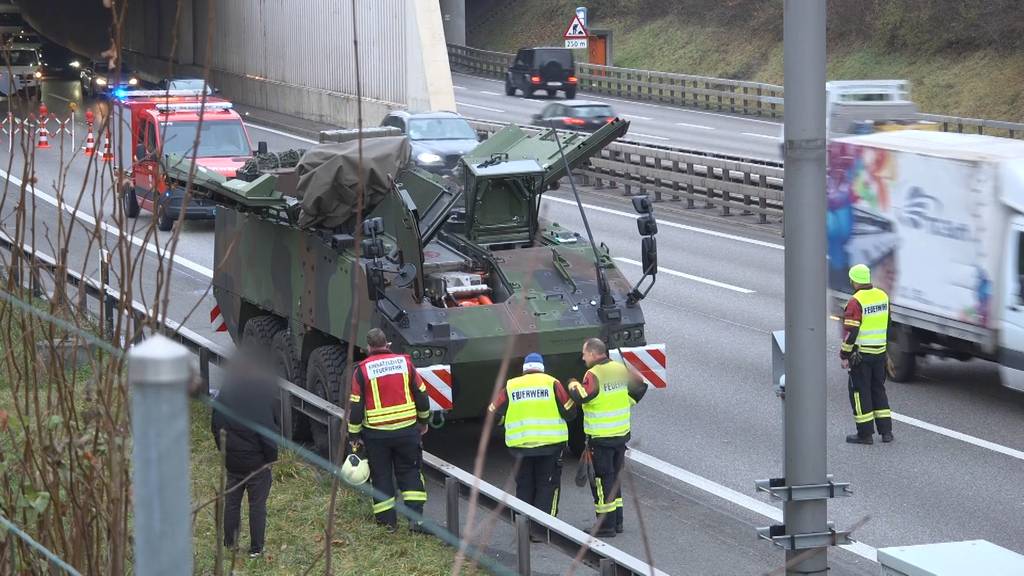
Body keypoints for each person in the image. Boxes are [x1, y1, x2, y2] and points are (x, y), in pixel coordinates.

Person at [347, 328, 432, 533]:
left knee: (382, 476)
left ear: (368, 347)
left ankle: (388, 525)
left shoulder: (362, 370)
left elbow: (356, 406)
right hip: (407, 431)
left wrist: (354, 436)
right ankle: (416, 522)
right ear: (387, 344)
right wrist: (423, 420)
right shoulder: (405, 364)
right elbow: (421, 394)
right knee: (410, 472)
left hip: (376, 436)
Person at [567, 337, 647, 538]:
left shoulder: (593, 373)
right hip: (620, 435)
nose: (583, 357)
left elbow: (583, 395)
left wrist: (572, 384)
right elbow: (640, 385)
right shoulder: (619, 368)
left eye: (584, 353)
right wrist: (627, 401)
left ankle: (605, 525)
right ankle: (617, 521)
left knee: (602, 481)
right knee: (614, 478)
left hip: (601, 437)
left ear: (594, 354)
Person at [487, 353, 577, 533]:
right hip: (550, 446)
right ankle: (541, 531)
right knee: (547, 486)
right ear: (542, 367)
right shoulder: (553, 383)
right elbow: (570, 412)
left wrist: (505, 422)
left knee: (524, 485)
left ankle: (524, 527)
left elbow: (493, 411)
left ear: (524, 369)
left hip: (520, 447)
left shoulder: (511, 385)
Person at [211, 346, 280, 558]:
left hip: (233, 461)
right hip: (257, 462)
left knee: (232, 502)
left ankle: (230, 543)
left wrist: (225, 452)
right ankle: (256, 549)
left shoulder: (225, 393)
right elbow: (267, 430)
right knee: (257, 505)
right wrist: (271, 458)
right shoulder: (259, 393)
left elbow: (215, 425)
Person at [841, 263, 894, 445]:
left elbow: (851, 332)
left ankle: (865, 434)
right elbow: (888, 324)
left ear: (854, 281)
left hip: (862, 355)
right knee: (878, 389)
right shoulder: (882, 296)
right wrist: (886, 351)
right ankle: (886, 432)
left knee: (859, 392)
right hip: (879, 353)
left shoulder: (856, 302)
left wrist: (844, 354)